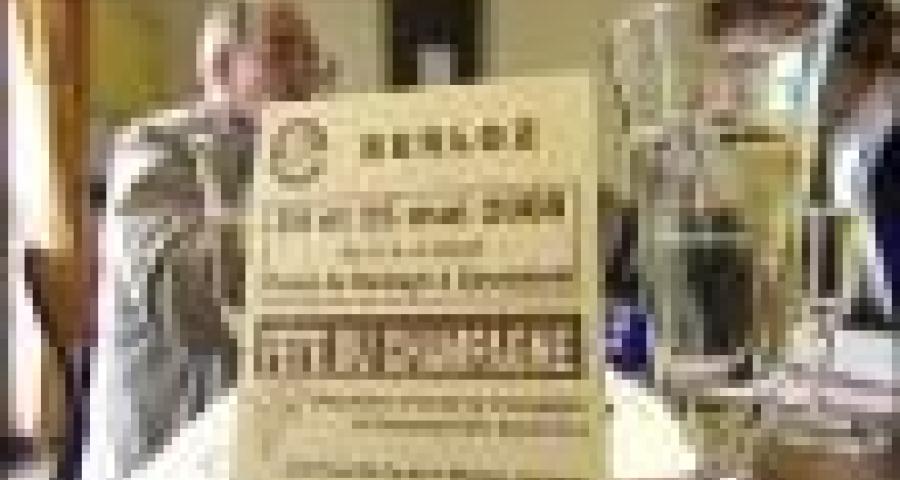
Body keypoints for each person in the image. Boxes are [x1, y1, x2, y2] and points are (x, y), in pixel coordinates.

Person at [85, 2, 331, 478]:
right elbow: (184, 297)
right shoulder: (154, 148)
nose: (306, 74)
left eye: (313, 58)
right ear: (220, 66)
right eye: (283, 52)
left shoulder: (305, 160)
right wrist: (332, 228)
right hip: (165, 456)